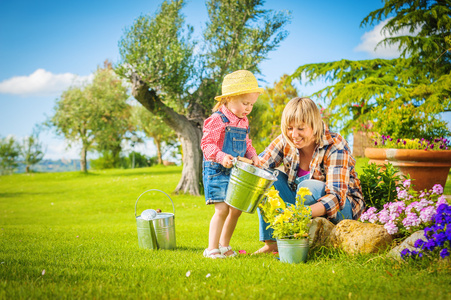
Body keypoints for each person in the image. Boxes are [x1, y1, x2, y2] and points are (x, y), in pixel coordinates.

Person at [255, 97, 365, 254]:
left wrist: (300, 214)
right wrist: (236, 160)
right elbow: (260, 164)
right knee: (265, 177)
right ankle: (272, 243)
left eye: (300, 128)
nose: (294, 134)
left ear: (314, 125)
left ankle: (310, 240)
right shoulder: (287, 140)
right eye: (289, 128)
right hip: (302, 205)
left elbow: (335, 197)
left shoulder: (335, 145)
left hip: (342, 207)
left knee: (306, 187)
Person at [201, 70, 263, 259]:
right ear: (228, 99)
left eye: (251, 104)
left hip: (235, 172)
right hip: (217, 171)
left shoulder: (243, 121)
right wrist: (221, 157)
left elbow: (247, 144)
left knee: (236, 210)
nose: (248, 108)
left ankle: (224, 245)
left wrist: (254, 156)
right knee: (222, 209)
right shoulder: (217, 119)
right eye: (245, 103)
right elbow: (207, 144)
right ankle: (211, 249)